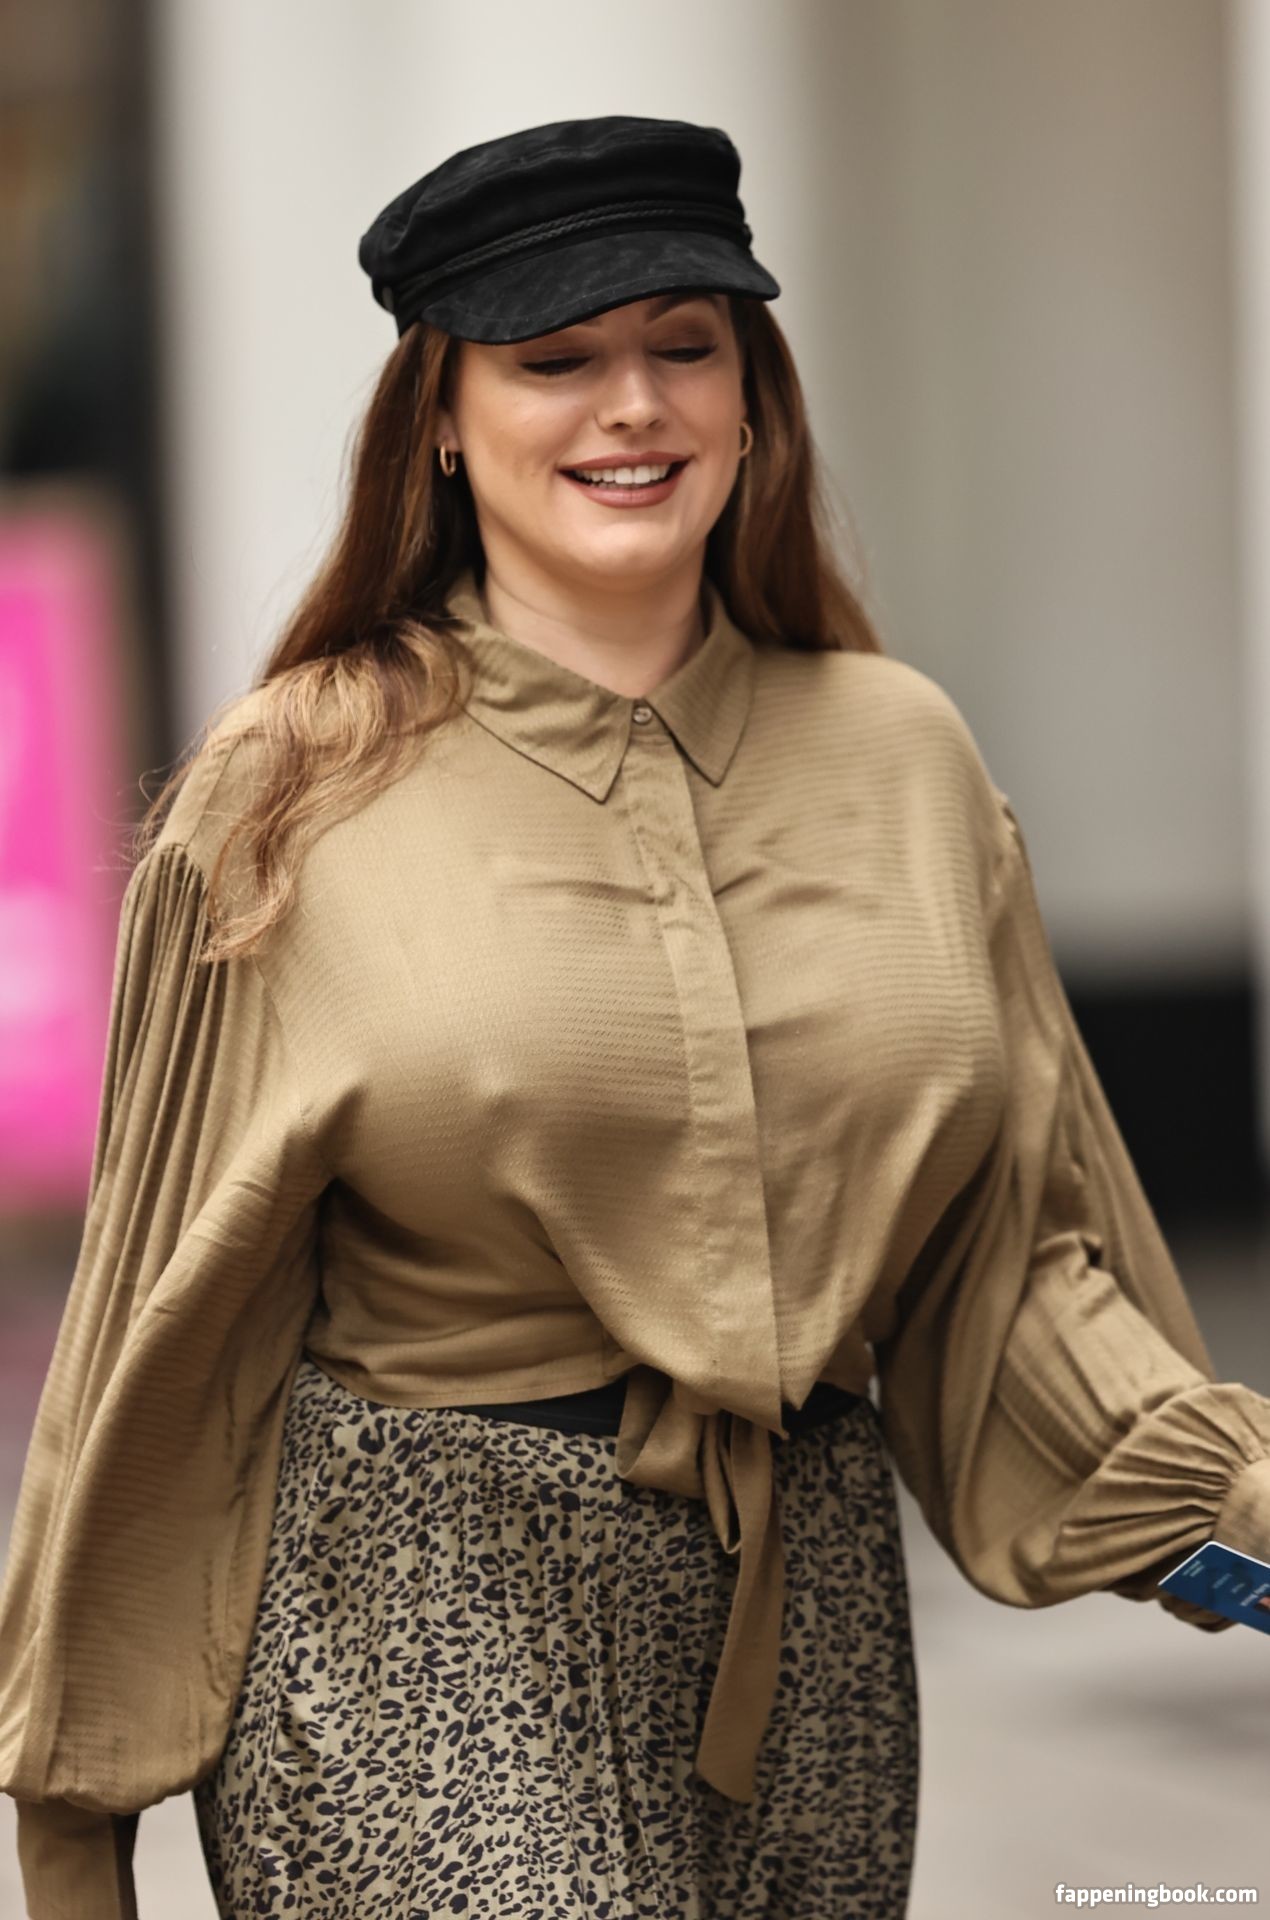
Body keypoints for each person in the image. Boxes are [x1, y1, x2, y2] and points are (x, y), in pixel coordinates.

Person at [2, 111, 1269, 1920]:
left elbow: (1012, 1268)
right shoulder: (289, 789)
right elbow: (163, 1315)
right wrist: (77, 1805)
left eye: (685, 346)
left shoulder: (903, 757)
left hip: (811, 1624)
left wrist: (1238, 1512)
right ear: (442, 416)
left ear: (753, 400)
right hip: (414, 1613)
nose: (632, 404)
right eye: (554, 358)